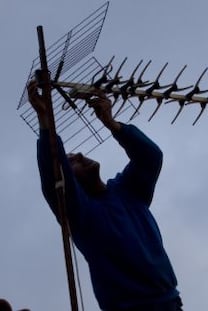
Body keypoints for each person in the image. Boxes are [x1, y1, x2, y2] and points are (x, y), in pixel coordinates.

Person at [27, 81, 183, 311]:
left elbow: (151, 157)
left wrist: (112, 124)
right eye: (72, 161)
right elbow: (55, 181)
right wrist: (45, 121)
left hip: (170, 304)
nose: (80, 154)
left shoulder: (128, 191)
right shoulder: (83, 215)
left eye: (77, 155)